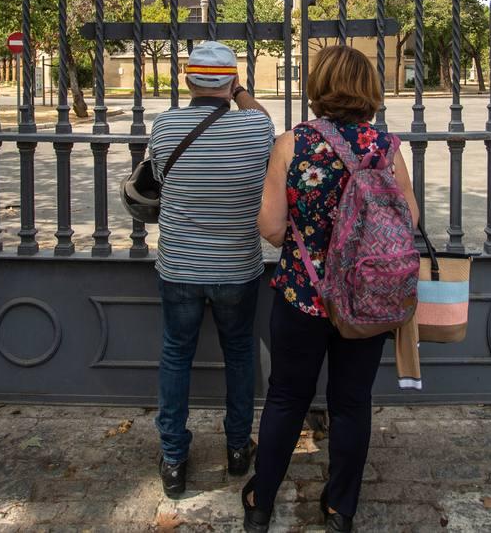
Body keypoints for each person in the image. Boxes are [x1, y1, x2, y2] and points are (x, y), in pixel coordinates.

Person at [243, 45, 419, 533]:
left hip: (304, 295)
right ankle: (341, 509)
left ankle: (261, 502)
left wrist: (309, 244)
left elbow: (271, 225)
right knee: (351, 402)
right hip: (366, 300)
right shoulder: (385, 148)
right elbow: (411, 220)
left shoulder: (291, 144)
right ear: (369, 90)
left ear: (319, 86)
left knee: (285, 398)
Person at [149, 41, 273, 498]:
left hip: (179, 265)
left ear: (187, 79)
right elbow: (265, 123)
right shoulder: (255, 127)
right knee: (239, 354)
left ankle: (175, 458)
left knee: (175, 354)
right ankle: (238, 448)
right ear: (231, 81)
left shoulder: (165, 127)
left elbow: (159, 181)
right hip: (237, 268)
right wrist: (240, 93)